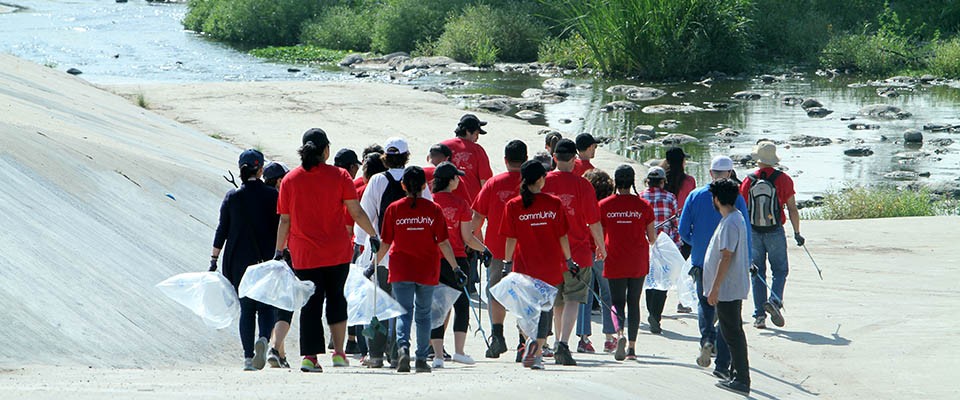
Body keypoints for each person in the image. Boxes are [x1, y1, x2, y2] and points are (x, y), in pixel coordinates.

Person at [275, 128, 381, 373]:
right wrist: (373, 235)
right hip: (336, 252)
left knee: (310, 305)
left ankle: (310, 358)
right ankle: (339, 353)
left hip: (304, 254)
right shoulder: (340, 176)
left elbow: (284, 221)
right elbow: (355, 211)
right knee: (336, 298)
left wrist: (279, 251)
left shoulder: (290, 180)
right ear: (326, 151)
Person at [376, 166, 462, 373]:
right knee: (423, 315)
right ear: (425, 185)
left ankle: (403, 348)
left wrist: (373, 265)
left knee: (403, 312)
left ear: (403, 185)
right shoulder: (434, 210)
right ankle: (422, 358)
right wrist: (455, 267)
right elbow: (443, 243)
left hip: (401, 268)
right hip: (426, 268)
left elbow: (385, 243)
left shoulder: (394, 209)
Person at [356, 137, 432, 367]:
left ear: (386, 158)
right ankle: (398, 349)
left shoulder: (378, 180)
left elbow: (366, 214)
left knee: (379, 305)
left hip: (381, 252)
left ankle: (376, 355)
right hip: (409, 254)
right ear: (407, 156)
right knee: (404, 306)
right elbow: (428, 212)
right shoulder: (416, 179)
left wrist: (363, 244)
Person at [678, 156, 750, 380]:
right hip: (730, 268)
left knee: (706, 304)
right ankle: (724, 363)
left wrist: (697, 243)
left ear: (710, 173)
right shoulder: (737, 202)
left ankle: (707, 338)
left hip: (702, 260)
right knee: (728, 319)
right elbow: (746, 233)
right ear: (730, 173)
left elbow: (682, 231)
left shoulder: (695, 195)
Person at [500, 160, 573, 370]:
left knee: (525, 310)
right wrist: (569, 260)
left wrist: (506, 263)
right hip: (550, 266)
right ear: (541, 179)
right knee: (545, 311)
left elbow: (510, 239)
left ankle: (529, 342)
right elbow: (562, 237)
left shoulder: (513, 205)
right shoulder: (554, 203)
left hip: (524, 266)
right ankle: (538, 351)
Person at [211, 149, 279, 371]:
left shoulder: (233, 197)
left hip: (238, 261)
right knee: (267, 307)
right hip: (266, 260)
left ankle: (248, 358)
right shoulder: (272, 195)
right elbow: (282, 226)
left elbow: (222, 230)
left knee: (247, 309)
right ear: (260, 170)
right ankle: (264, 339)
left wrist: (213, 259)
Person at [541, 138, 606, 366]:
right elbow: (594, 221)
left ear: (555, 158)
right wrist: (601, 246)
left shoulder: (544, 183)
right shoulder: (583, 185)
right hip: (578, 251)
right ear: (575, 159)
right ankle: (563, 343)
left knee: (558, 300)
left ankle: (559, 339)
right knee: (573, 298)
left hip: (549, 252)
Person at [470, 140, 527, 359]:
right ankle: (523, 342)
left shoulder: (493, 184)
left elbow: (477, 218)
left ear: (505, 160)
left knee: (495, 291)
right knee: (523, 294)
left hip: (496, 248)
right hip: (525, 249)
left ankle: (497, 335)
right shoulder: (531, 183)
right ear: (525, 159)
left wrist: (474, 242)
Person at [429, 162, 487, 368]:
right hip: (457, 259)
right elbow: (467, 238)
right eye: (456, 177)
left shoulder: (429, 201)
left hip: (432, 260)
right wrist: (485, 250)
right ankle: (459, 351)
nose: (459, 180)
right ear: (450, 180)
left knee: (437, 306)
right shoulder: (461, 204)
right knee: (461, 305)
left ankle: (437, 355)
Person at [739, 141, 803, 329]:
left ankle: (759, 316)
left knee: (757, 273)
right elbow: (792, 209)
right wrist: (797, 232)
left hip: (753, 230)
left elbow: (742, 209)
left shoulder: (748, 180)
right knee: (780, 270)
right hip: (774, 230)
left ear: (758, 160)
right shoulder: (784, 180)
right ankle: (774, 301)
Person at [599, 165, 656, 361]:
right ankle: (632, 347)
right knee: (634, 302)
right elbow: (652, 237)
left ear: (615, 182)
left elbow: (599, 233)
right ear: (632, 181)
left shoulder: (604, 205)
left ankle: (619, 334)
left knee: (616, 302)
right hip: (637, 259)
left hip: (614, 257)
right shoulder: (644, 206)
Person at [704, 178, 752, 395]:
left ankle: (741, 378)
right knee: (731, 331)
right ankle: (736, 374)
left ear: (716, 199)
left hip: (728, 288)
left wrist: (715, 288)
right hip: (729, 286)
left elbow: (726, 257)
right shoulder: (733, 218)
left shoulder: (731, 222)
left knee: (732, 333)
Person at [575, 169, 616, 354]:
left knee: (584, 295)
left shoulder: (582, 204)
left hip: (583, 252)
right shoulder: (606, 205)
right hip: (602, 252)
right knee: (608, 294)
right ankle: (609, 337)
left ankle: (584, 338)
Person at [259, 161, 294, 369]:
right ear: (280, 180)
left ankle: (280, 353)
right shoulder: (282, 199)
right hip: (283, 257)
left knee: (271, 306)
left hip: (260, 258)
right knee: (285, 306)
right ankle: (274, 348)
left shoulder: (259, 198)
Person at [639, 166, 678, 334]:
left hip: (645, 245)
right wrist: (677, 245)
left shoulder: (640, 197)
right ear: (662, 182)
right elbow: (676, 225)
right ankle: (656, 315)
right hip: (664, 245)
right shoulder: (670, 198)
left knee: (650, 281)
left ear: (648, 181)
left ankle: (651, 313)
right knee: (663, 282)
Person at [661, 147, 697, 314]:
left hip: (663, 230)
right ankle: (683, 301)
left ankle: (658, 301)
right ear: (682, 161)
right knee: (684, 267)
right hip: (684, 228)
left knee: (663, 266)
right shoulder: (689, 181)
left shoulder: (661, 181)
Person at [441, 114, 494, 204]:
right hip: (471, 203)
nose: (477, 138)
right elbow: (485, 181)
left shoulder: (443, 146)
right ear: (468, 131)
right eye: (476, 134)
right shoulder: (477, 150)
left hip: (445, 202)